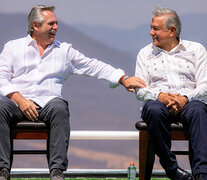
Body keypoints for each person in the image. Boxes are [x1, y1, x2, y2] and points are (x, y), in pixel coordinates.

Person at [0, 5, 146, 180]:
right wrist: (20, 99)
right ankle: (2, 170)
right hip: (17, 103)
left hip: (49, 104)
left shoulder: (64, 51)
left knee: (60, 107)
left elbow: (93, 66)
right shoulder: (13, 47)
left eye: (56, 23)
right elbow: (1, 78)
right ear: (35, 26)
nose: (56, 27)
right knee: (1, 106)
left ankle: (57, 172)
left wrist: (122, 78)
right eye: (51, 24)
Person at [135, 7, 207, 180]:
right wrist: (160, 96)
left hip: (190, 101)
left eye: (156, 28)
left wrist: (185, 98)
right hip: (158, 103)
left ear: (172, 31)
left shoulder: (196, 50)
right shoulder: (145, 54)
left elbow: (205, 84)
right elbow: (140, 90)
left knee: (199, 111)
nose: (151, 32)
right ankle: (172, 169)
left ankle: (202, 174)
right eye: (151, 27)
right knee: (152, 109)